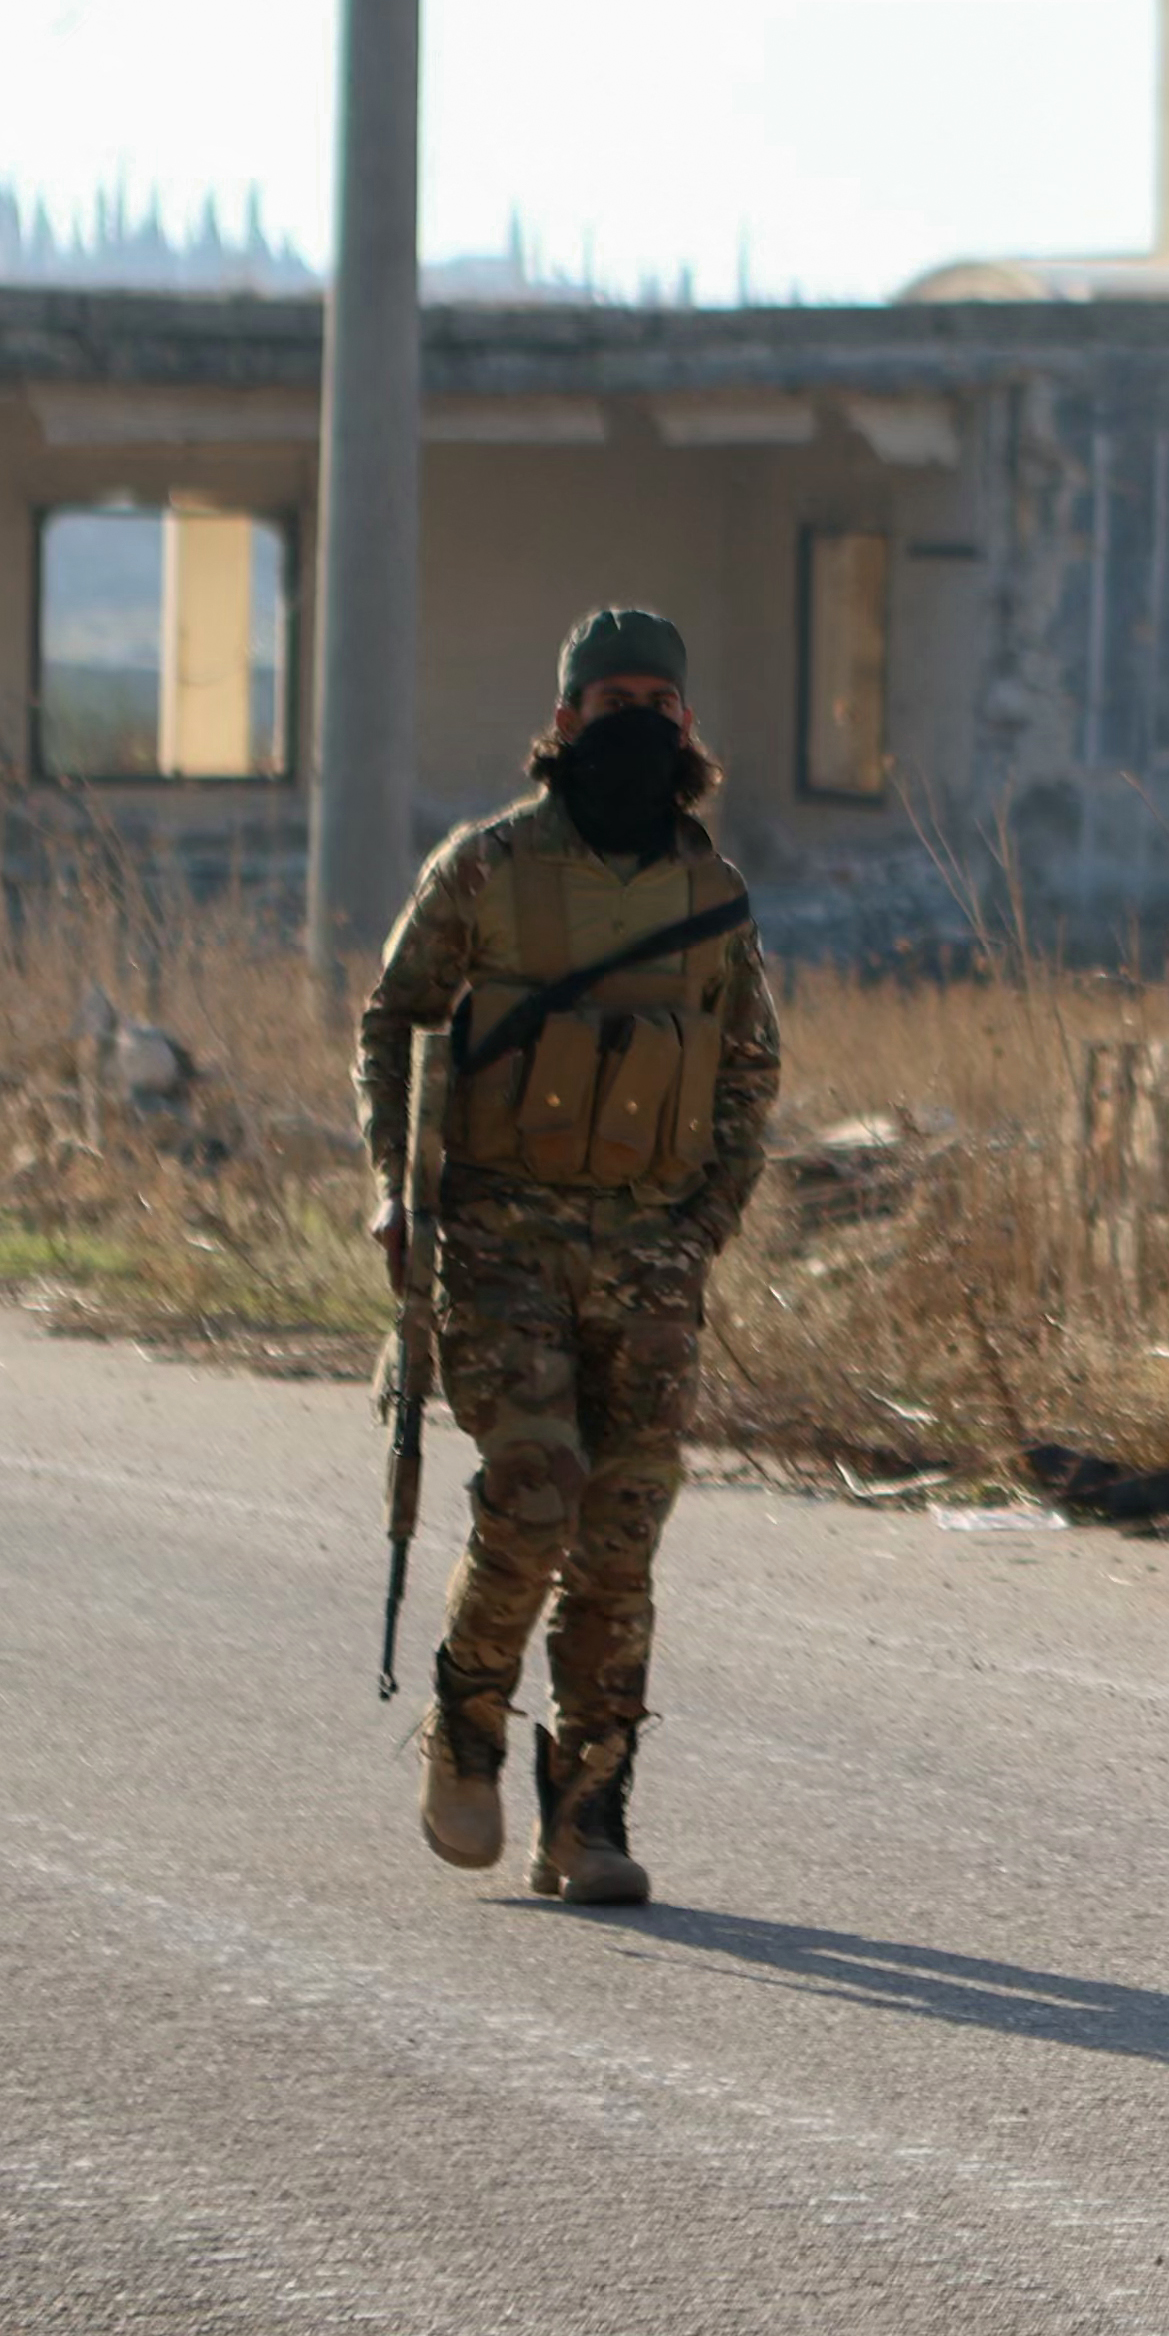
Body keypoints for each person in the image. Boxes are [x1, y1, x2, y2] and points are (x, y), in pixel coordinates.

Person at [359, 605, 780, 1911]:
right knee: (537, 1488)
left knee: (620, 1537)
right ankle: (467, 1728)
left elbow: (749, 1074)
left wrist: (699, 1228)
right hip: (500, 1237)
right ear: (561, 725)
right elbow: (394, 1020)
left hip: (652, 1254)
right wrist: (394, 1191)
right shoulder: (484, 871)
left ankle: (588, 1814)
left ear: (690, 725)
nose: (637, 724)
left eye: (659, 699)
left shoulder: (711, 895)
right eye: (611, 704)